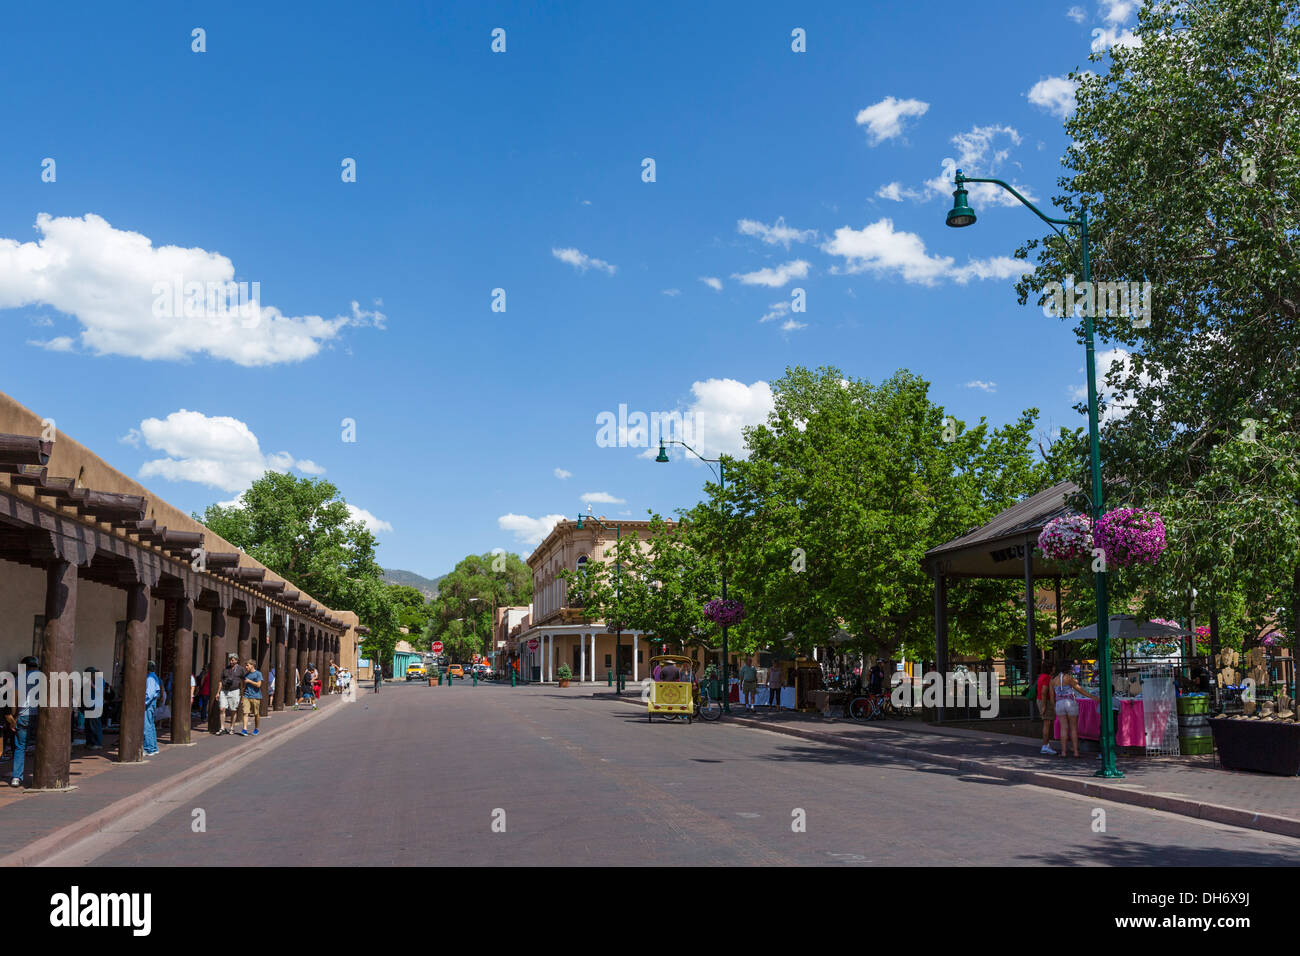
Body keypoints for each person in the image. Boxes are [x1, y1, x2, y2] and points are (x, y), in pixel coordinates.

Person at [1053, 660, 1098, 758]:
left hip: (1059, 704)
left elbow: (1052, 695)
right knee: (1073, 728)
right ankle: (1076, 752)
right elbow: (1080, 690)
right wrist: (1092, 697)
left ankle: (1064, 752)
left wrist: (1054, 706)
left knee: (1063, 728)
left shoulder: (1054, 679)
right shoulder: (1069, 678)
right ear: (1068, 668)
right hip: (1070, 702)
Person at [9, 656, 41, 787]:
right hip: (40, 716)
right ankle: (39, 776)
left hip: (23, 715)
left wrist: (13, 717)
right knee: (41, 746)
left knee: (20, 747)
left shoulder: (19, 679)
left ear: (25, 666)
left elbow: (14, 701)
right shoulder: (45, 677)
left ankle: (16, 777)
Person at [217, 654, 246, 735]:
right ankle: (222, 727)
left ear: (236, 660)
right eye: (230, 660)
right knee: (222, 708)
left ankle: (232, 727)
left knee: (233, 710)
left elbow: (244, 681)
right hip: (224, 691)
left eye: (232, 660)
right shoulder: (225, 669)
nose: (231, 661)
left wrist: (242, 691)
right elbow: (221, 681)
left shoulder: (241, 669)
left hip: (235, 691)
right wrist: (218, 692)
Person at [1037, 662, 1059, 755]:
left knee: (1047, 723)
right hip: (1046, 702)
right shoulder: (1047, 678)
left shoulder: (1041, 676)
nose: (1054, 669)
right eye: (1053, 668)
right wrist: (1044, 706)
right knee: (1047, 724)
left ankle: (1046, 745)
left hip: (1041, 700)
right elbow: (1044, 692)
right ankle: (1045, 746)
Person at [240, 659, 263, 736]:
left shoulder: (258, 674)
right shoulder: (246, 675)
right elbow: (244, 686)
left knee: (256, 714)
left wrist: (249, 681)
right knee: (245, 712)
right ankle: (244, 729)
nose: (246, 667)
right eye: (246, 665)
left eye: (247, 665)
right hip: (246, 695)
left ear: (252, 665)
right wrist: (242, 696)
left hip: (256, 696)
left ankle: (256, 728)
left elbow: (259, 685)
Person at [83, 666, 104, 750]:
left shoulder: (99, 680)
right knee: (88, 725)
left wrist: (92, 685)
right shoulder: (89, 681)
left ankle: (97, 743)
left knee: (95, 725)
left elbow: (100, 692)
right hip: (89, 704)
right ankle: (90, 742)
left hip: (96, 705)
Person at [143, 661, 161, 756]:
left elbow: (149, 693)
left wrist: (143, 702)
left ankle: (149, 748)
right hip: (152, 702)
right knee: (151, 724)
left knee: (147, 726)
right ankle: (153, 747)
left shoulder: (150, 678)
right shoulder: (154, 677)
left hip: (149, 703)